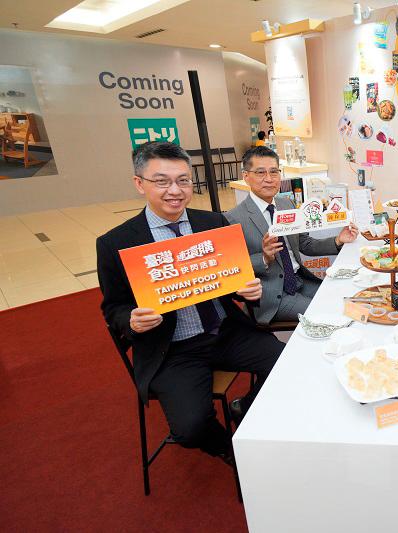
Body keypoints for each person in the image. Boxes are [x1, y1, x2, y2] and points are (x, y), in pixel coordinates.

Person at [97, 141, 284, 465]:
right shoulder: (116, 242)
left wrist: (245, 289)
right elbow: (113, 306)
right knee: (190, 428)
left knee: (286, 363)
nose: (175, 190)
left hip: (224, 331)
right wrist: (130, 319)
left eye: (183, 180)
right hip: (172, 349)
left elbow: (231, 279)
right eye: (162, 181)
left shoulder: (212, 223)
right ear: (139, 184)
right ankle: (233, 449)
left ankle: (245, 408)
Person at [225, 146, 359, 324]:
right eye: (260, 172)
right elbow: (233, 270)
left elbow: (304, 244)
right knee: (328, 314)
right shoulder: (232, 218)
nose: (268, 179)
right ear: (246, 176)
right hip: (274, 295)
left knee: (346, 299)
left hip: (301, 280)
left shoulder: (286, 203)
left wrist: (338, 240)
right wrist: (264, 258)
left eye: (274, 172)